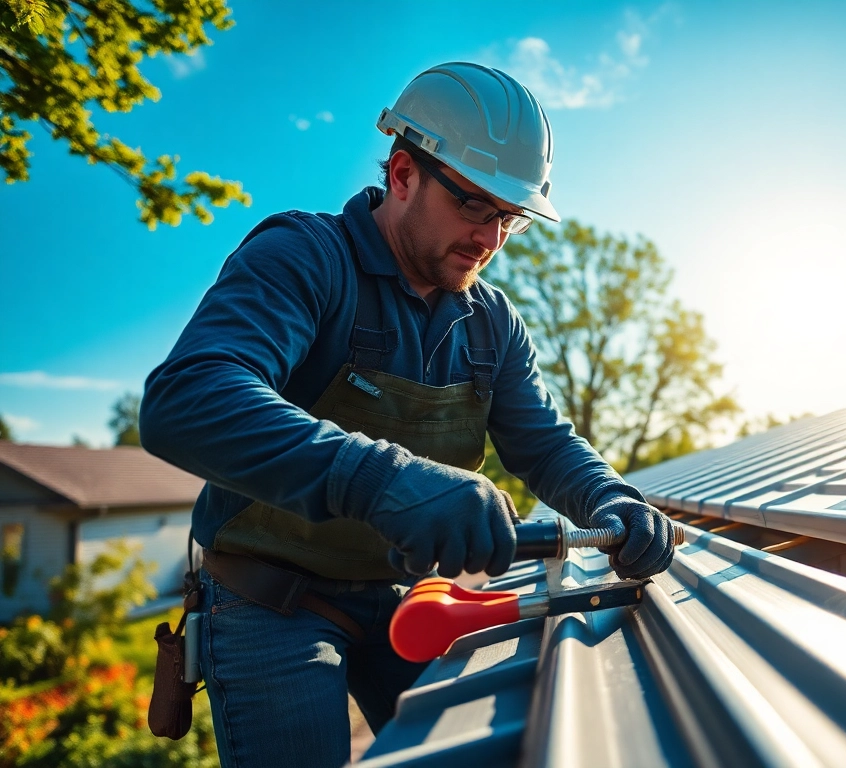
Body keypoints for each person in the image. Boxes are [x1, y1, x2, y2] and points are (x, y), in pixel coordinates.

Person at [140, 62, 676, 767]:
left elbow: (544, 445)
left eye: (509, 219)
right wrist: (383, 481)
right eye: (474, 207)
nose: (490, 239)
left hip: (409, 596)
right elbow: (189, 398)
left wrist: (609, 497)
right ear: (402, 175)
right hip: (273, 603)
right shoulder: (305, 258)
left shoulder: (493, 325)